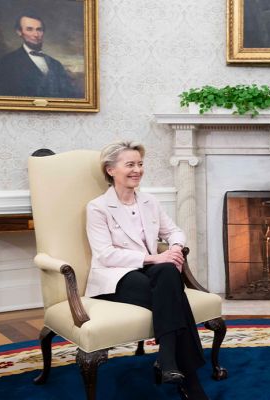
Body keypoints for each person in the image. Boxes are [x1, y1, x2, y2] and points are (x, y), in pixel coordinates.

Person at [85, 140, 207, 400]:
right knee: (174, 294)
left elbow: (174, 231)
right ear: (110, 170)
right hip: (115, 277)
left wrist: (175, 249)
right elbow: (105, 255)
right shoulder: (98, 207)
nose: (137, 170)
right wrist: (155, 258)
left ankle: (168, 361)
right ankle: (188, 378)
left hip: (149, 273)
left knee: (169, 273)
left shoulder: (149, 201)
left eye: (140, 164)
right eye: (130, 164)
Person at [0, 12, 79, 98]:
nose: (36, 34)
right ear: (19, 32)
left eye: (39, 29)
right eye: (29, 29)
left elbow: (68, 96)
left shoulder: (56, 64)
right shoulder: (6, 62)